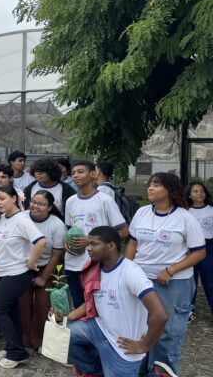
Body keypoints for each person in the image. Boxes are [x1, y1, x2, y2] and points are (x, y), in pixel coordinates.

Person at [125, 172, 206, 375]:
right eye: (150, 184)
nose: (150, 188)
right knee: (141, 327)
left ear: (170, 190)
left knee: (168, 331)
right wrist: (126, 269)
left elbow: (199, 252)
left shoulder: (185, 217)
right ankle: (141, 370)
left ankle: (161, 372)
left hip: (174, 284)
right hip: (141, 280)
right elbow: (133, 243)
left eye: (156, 185)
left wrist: (170, 270)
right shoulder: (142, 212)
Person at [66, 226, 169, 377]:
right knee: (64, 334)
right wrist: (66, 317)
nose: (88, 248)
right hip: (101, 330)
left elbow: (160, 315)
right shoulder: (96, 269)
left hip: (123, 346)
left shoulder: (131, 272)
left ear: (111, 246)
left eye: (94, 244)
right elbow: (92, 302)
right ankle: (96, 371)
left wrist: (143, 345)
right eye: (88, 244)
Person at [0, 184, 47, 369]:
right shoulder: (1, 219)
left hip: (18, 273)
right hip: (2, 271)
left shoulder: (22, 219)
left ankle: (16, 353)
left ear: (14, 198)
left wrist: (31, 262)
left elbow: (41, 241)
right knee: (11, 311)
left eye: (3, 198)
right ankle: (13, 346)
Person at [64, 160, 127, 308]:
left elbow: (124, 231)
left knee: (97, 306)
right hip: (72, 263)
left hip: (96, 263)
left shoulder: (105, 200)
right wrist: (66, 241)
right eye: (73, 173)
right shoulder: (70, 201)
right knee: (79, 305)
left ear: (93, 174)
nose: (75, 175)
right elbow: (69, 229)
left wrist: (91, 241)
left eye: (80, 172)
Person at [19, 190, 65, 351]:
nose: (35, 206)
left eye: (41, 204)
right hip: (23, 265)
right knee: (22, 301)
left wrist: (44, 278)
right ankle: (24, 339)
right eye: (33, 202)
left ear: (50, 207)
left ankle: (39, 340)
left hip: (46, 266)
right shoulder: (22, 217)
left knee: (42, 302)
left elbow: (57, 255)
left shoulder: (57, 225)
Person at [186, 181, 213, 320]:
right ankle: (189, 310)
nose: (200, 193)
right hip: (189, 249)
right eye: (195, 191)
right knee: (191, 281)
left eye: (202, 190)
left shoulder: (211, 210)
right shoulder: (185, 211)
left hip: (208, 247)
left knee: (209, 282)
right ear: (189, 195)